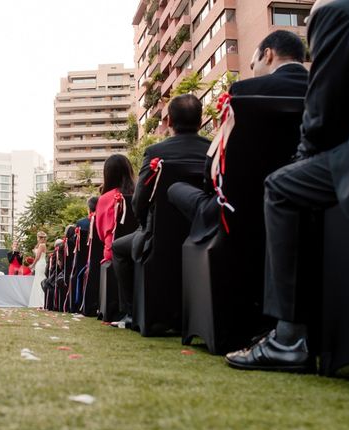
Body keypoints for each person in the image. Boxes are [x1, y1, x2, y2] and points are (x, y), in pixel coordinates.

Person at [225, 0, 349, 372]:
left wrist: (303, 160)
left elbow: (323, 116)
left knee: (283, 187)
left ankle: (289, 336)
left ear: (267, 55)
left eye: (252, 61)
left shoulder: (336, 11)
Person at [167, 32, 309, 242]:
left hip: (242, 207)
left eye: (253, 65)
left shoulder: (244, 90)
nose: (253, 72)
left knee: (176, 190)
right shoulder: (326, 87)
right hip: (314, 200)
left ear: (268, 55)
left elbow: (216, 164)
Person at [112, 94, 210, 327]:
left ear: (169, 122)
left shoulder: (156, 152)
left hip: (160, 235)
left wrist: (146, 224)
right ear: (201, 120)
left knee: (118, 248)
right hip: (206, 230)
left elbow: (139, 201)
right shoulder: (212, 149)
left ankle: (131, 313)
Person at [95, 155, 136, 264]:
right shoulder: (138, 194)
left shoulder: (104, 199)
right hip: (139, 249)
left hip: (113, 253)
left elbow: (100, 234)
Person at [28, 232, 48, 308]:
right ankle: (38, 300)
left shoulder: (42, 245)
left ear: (39, 237)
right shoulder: (40, 245)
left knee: (40, 280)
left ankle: (41, 301)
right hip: (40, 263)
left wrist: (32, 265)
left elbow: (38, 257)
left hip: (40, 263)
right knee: (38, 280)